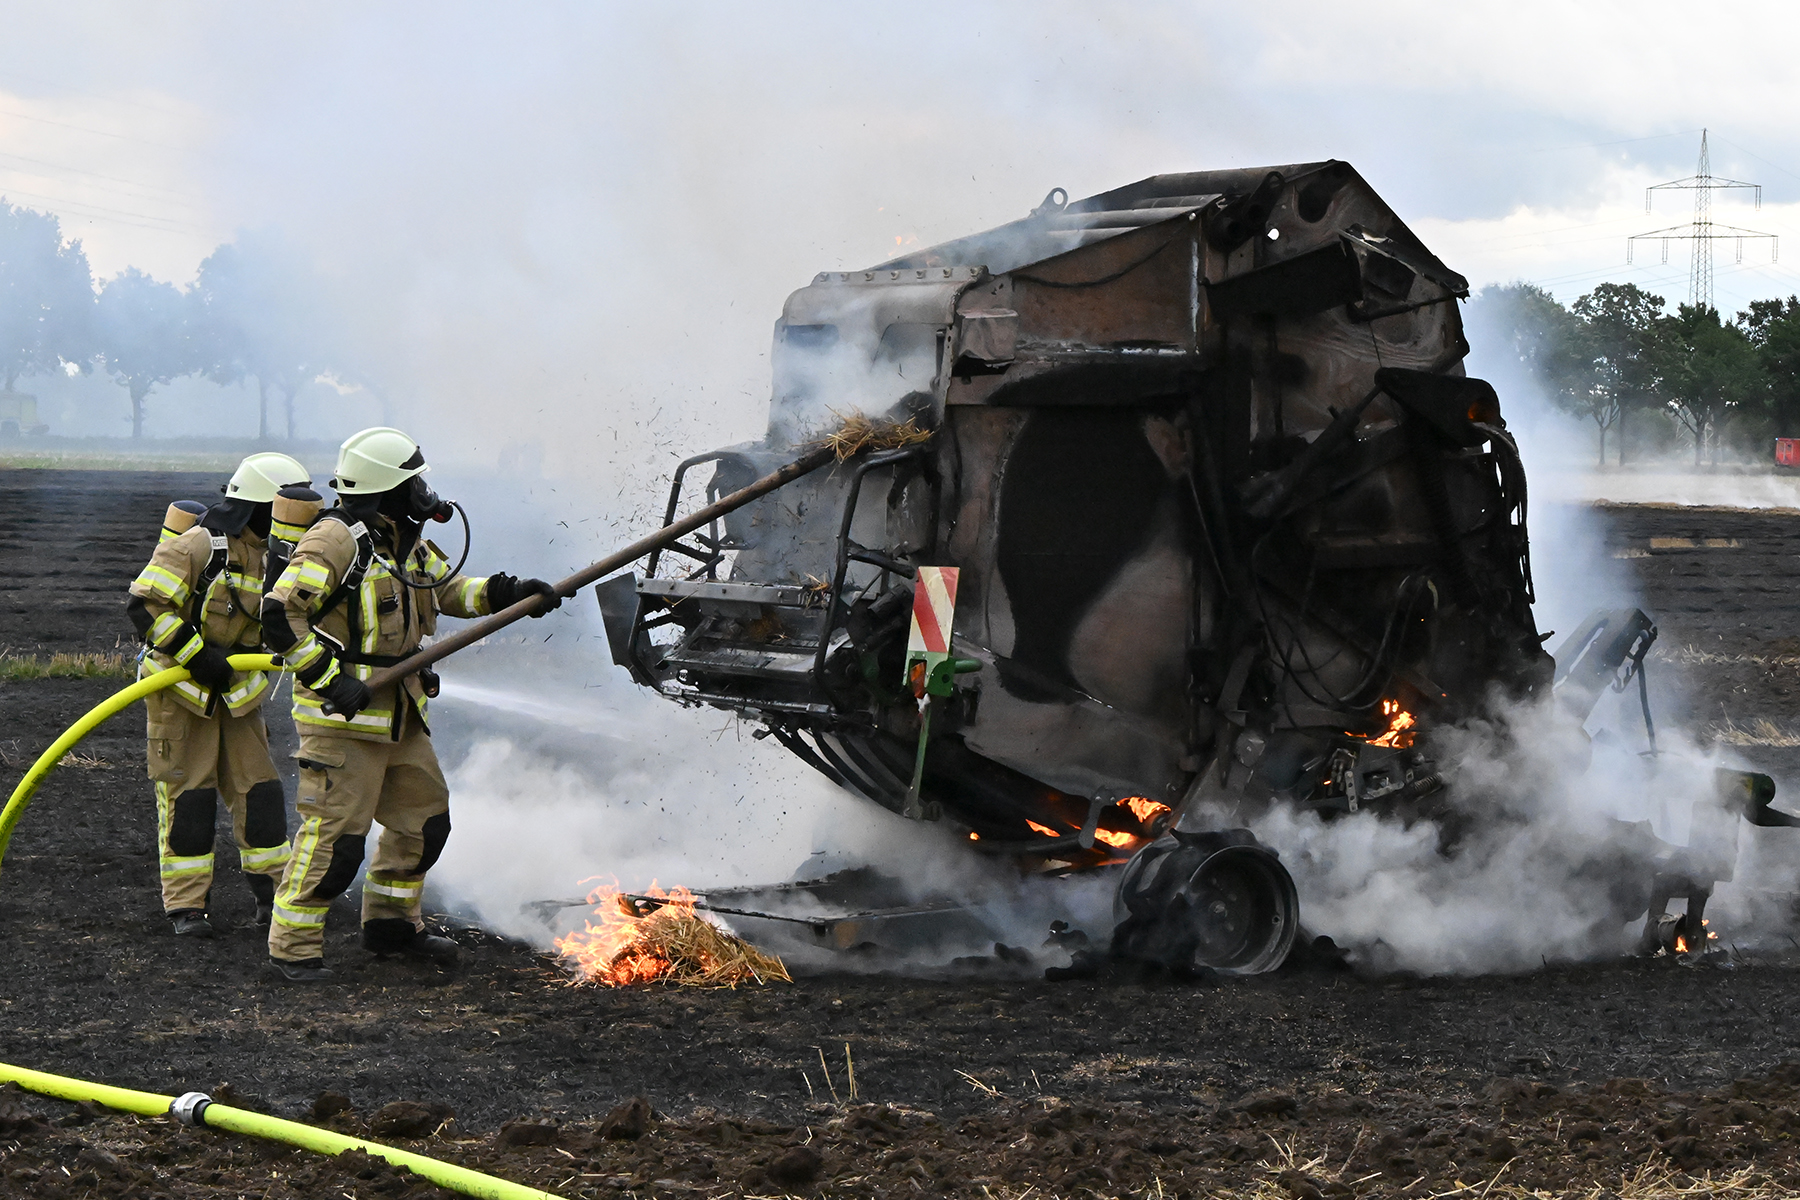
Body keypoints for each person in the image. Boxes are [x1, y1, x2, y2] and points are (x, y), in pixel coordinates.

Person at [261, 426, 559, 983]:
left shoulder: (402, 540)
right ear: (387, 487)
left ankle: (392, 927)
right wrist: (330, 680)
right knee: (334, 843)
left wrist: (508, 592)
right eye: (413, 481)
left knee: (423, 824)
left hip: (401, 716)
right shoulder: (335, 541)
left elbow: (445, 590)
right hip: (343, 722)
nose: (424, 490)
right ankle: (293, 949)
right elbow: (280, 615)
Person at [127, 451, 312, 938]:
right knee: (190, 800)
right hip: (180, 691)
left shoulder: (275, 555)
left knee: (262, 795)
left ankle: (274, 897)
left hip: (238, 695)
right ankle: (187, 907)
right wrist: (196, 655)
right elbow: (146, 606)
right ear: (258, 507)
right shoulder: (197, 546)